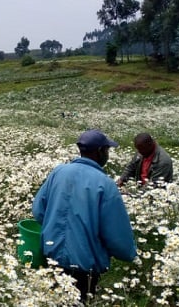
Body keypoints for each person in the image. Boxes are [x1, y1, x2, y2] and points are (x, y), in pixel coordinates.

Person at [32, 129, 137, 304]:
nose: (107, 155)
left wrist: (54, 227)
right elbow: (116, 233)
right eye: (107, 150)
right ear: (100, 151)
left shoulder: (59, 172)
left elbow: (38, 210)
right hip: (85, 265)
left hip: (52, 257)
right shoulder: (105, 184)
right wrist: (129, 254)